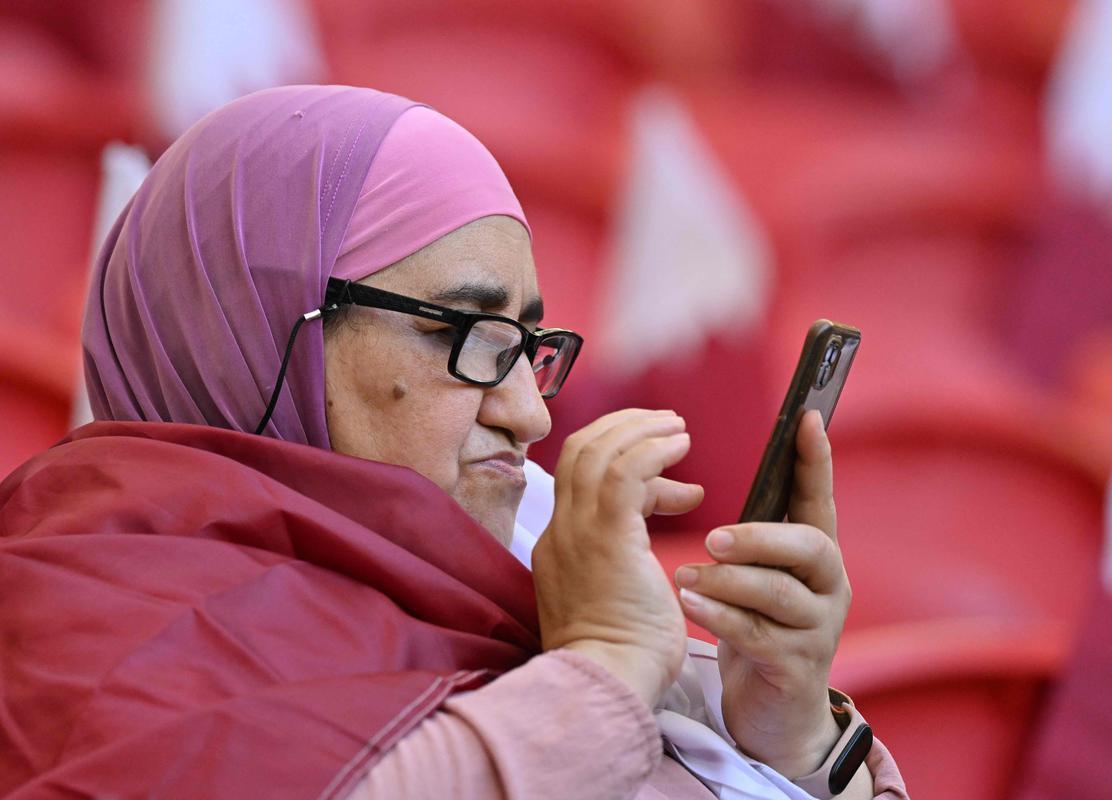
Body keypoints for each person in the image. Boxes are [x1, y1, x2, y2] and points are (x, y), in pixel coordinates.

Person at [0, 85, 906, 799]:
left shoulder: (509, 597)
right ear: (258, 330)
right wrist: (603, 670)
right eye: (460, 333)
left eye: (528, 347)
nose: (532, 413)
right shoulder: (90, 623)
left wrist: (785, 734)